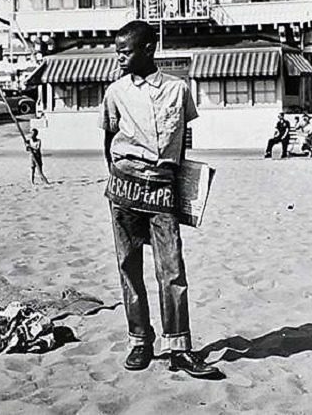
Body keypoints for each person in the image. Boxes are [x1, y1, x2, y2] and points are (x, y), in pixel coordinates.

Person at [99, 20, 221, 379]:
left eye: (126, 51)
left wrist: (172, 178)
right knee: (128, 265)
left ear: (148, 49)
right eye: (117, 51)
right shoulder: (115, 91)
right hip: (123, 187)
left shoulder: (177, 90)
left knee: (171, 269)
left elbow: (183, 138)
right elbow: (108, 141)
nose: (119, 57)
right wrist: (122, 172)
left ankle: (178, 347)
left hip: (163, 186)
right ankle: (140, 339)